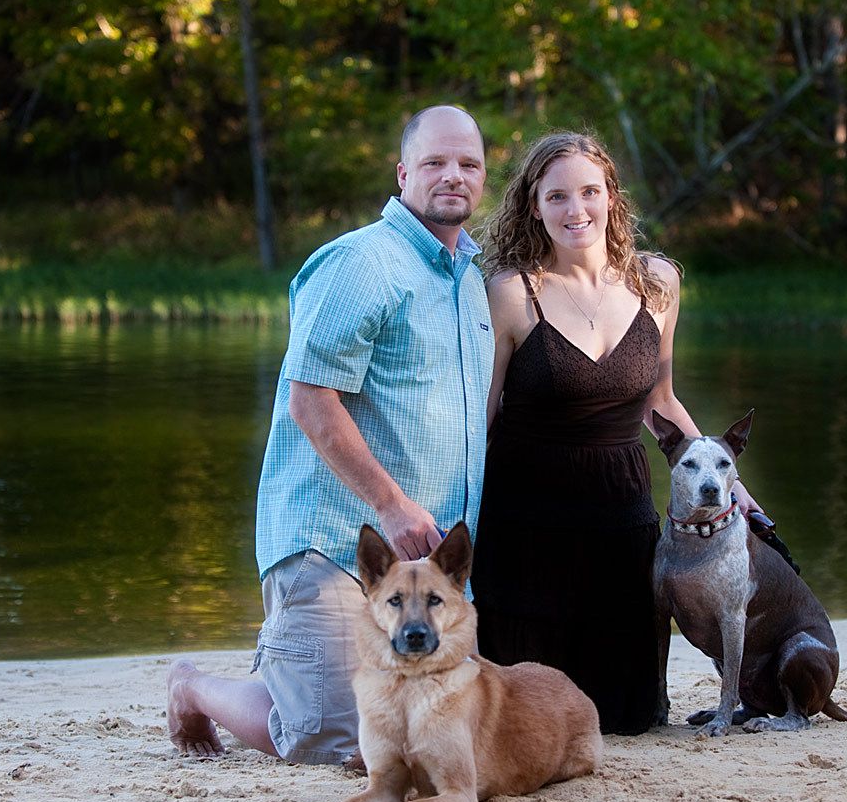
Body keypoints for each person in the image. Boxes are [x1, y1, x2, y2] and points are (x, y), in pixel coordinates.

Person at [166, 104, 493, 765]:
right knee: (335, 738)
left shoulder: (472, 280)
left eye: (468, 164)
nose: (452, 175)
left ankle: (292, 669)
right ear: (404, 173)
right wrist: (391, 505)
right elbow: (310, 402)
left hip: (425, 571)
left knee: (436, 730)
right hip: (335, 550)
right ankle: (193, 687)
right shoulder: (361, 264)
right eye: (435, 162)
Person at [472, 131, 763, 736]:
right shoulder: (509, 292)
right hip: (527, 521)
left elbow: (661, 400)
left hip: (620, 513)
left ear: (611, 197)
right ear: (533, 206)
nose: (575, 210)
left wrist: (735, 486)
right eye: (556, 197)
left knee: (626, 718)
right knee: (526, 717)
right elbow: (483, 418)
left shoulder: (657, 283)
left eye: (588, 192)